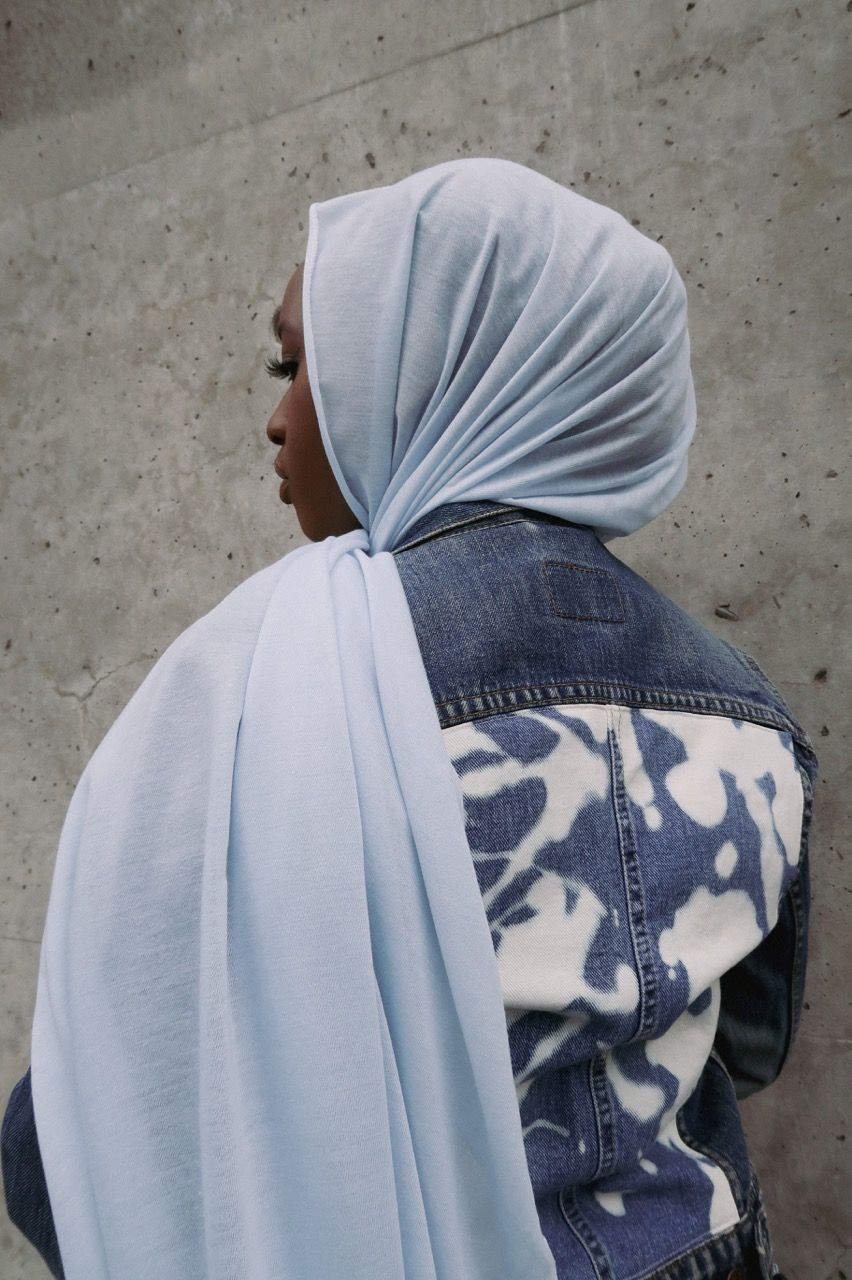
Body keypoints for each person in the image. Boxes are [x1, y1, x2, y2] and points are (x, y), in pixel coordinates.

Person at [2, 158, 814, 1280]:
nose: (275, 419)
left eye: (299, 364)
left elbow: (67, 1138)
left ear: (436, 371)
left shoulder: (259, 690)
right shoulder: (749, 705)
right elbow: (752, 1044)